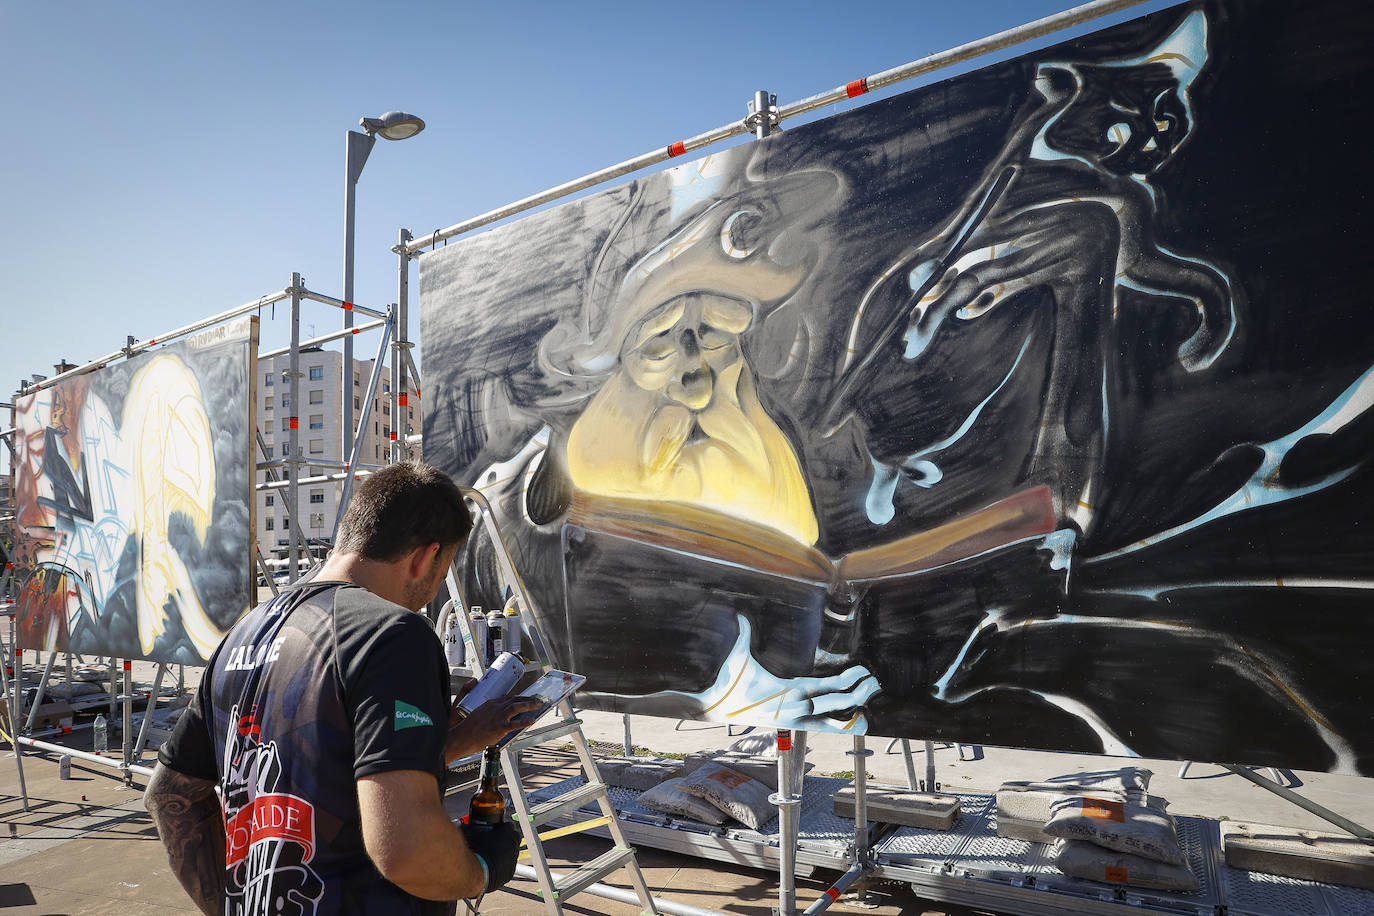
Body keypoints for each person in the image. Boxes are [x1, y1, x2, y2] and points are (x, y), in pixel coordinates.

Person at [145, 461, 539, 915]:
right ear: (425, 558)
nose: (431, 594)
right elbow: (405, 851)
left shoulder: (245, 633)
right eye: (440, 571)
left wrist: (442, 744)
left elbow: (171, 794)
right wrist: (483, 867)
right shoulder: (393, 634)